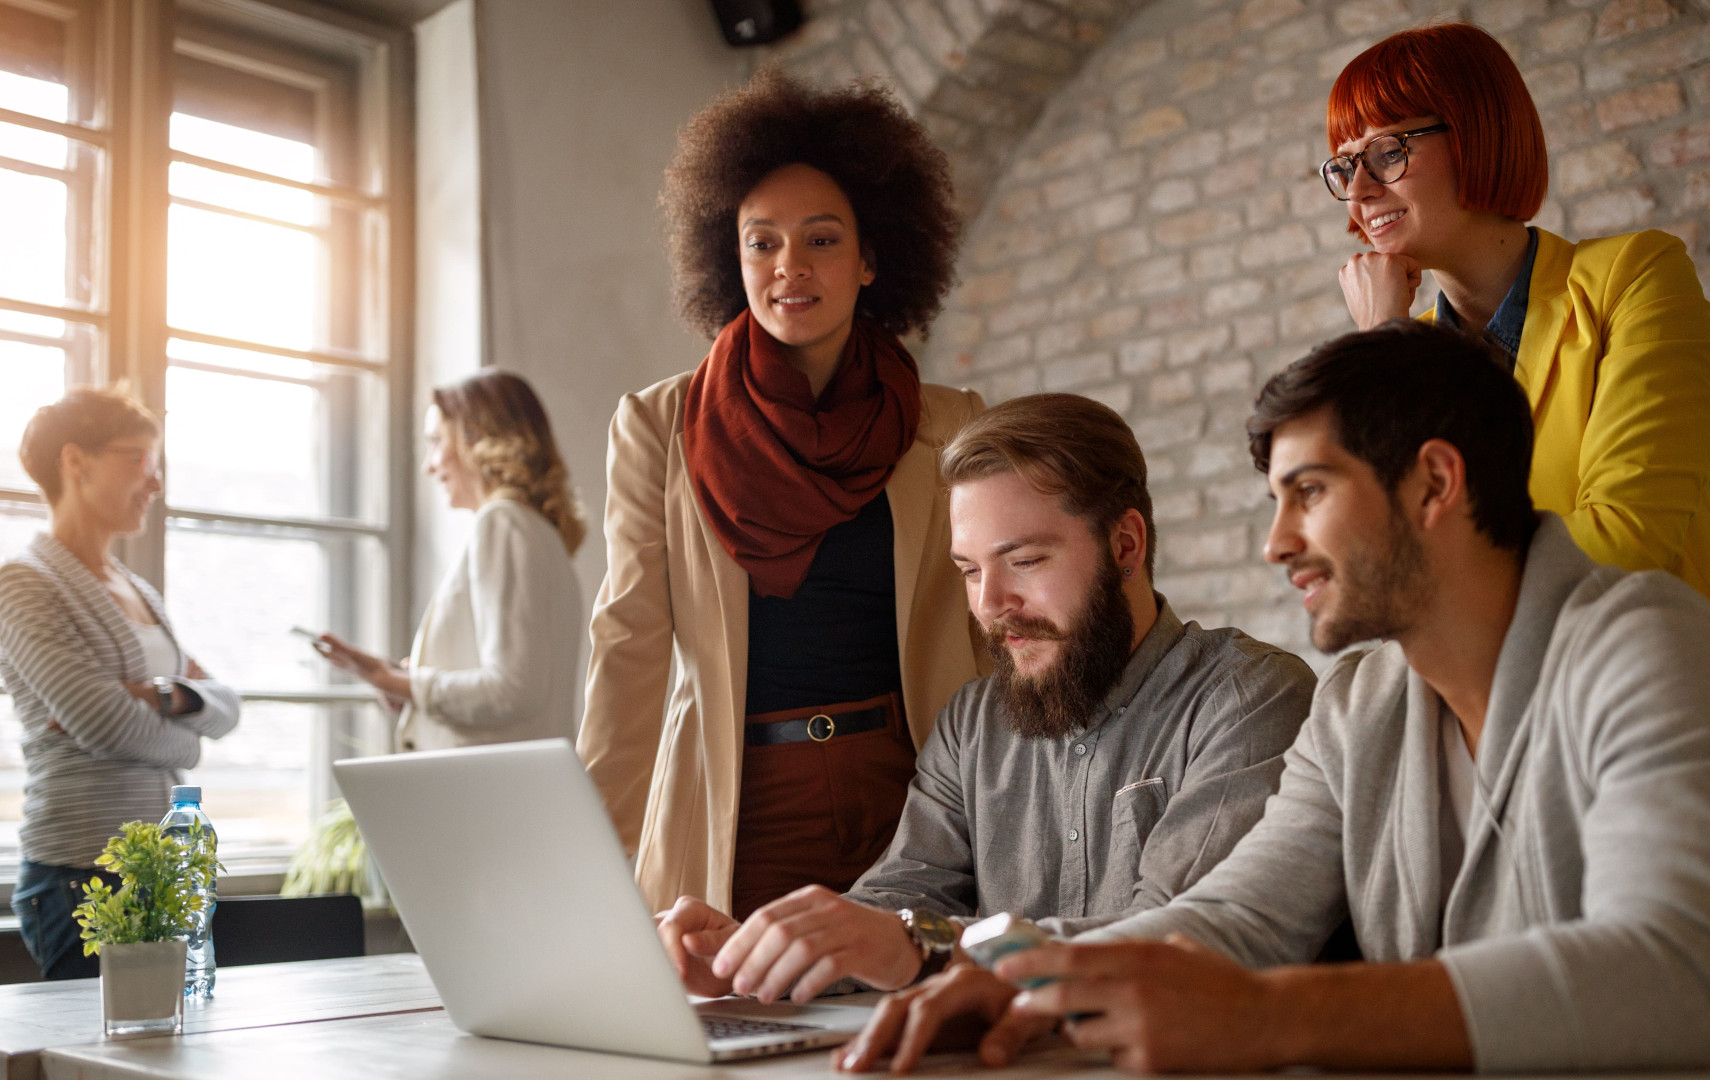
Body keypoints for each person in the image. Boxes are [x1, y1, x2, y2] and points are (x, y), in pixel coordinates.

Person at [836, 322, 1710, 1074]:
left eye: (1309, 493)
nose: (1276, 543)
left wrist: (1269, 1017)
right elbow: (1236, 918)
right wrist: (1037, 979)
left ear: (1434, 484)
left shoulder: (1652, 648)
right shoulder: (1360, 708)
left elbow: (1679, 976)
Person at [651, 394, 1316, 1004]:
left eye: (1024, 560)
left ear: (1125, 546)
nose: (991, 606)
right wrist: (752, 957)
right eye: (970, 571)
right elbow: (893, 907)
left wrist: (925, 947)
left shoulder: (1249, 699)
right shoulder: (972, 725)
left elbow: (1175, 941)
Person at [1322, 23, 1710, 765]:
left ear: (1478, 136)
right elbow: (1374, 575)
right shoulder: (1401, 348)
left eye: (1390, 152)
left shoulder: (1635, 277)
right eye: (1344, 165)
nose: (1361, 191)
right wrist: (1383, 347)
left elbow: (1627, 539)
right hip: (1499, 755)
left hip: (1688, 734)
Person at [578, 69, 989, 919]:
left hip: (920, 799)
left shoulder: (952, 425)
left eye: (822, 240)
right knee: (737, 1031)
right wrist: (588, 852)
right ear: (730, 257)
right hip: (735, 802)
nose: (788, 267)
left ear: (873, 257)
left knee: (912, 1036)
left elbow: (992, 637)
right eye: (761, 241)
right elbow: (631, 642)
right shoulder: (659, 425)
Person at [0, 387, 241, 980]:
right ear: (75, 462)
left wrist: (166, 696)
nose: (155, 484)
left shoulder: (141, 591)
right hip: (78, 872)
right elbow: (105, 724)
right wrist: (188, 740)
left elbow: (227, 706)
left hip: (161, 869)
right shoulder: (25, 583)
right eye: (139, 460)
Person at [314, 371, 586, 751]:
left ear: (478, 440)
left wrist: (390, 679)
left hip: (492, 794)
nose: (429, 465)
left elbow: (512, 691)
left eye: (437, 441)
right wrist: (416, 685)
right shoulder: (537, 532)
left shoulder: (501, 522)